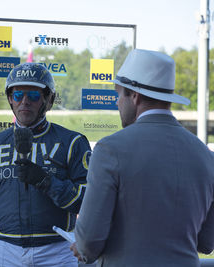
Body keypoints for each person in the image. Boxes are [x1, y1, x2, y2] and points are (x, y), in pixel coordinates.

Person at [71, 49, 214, 266]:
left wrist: (80, 246)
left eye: (119, 95)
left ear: (134, 96)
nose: (117, 103)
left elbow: (89, 243)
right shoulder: (206, 156)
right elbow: (206, 242)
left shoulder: (110, 149)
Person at [0, 62, 91, 267]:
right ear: (10, 99)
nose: (25, 101)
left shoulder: (73, 142)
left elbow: (88, 202)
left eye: (33, 96)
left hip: (57, 250)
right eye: (18, 95)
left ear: (48, 100)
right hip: (7, 250)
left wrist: (47, 182)